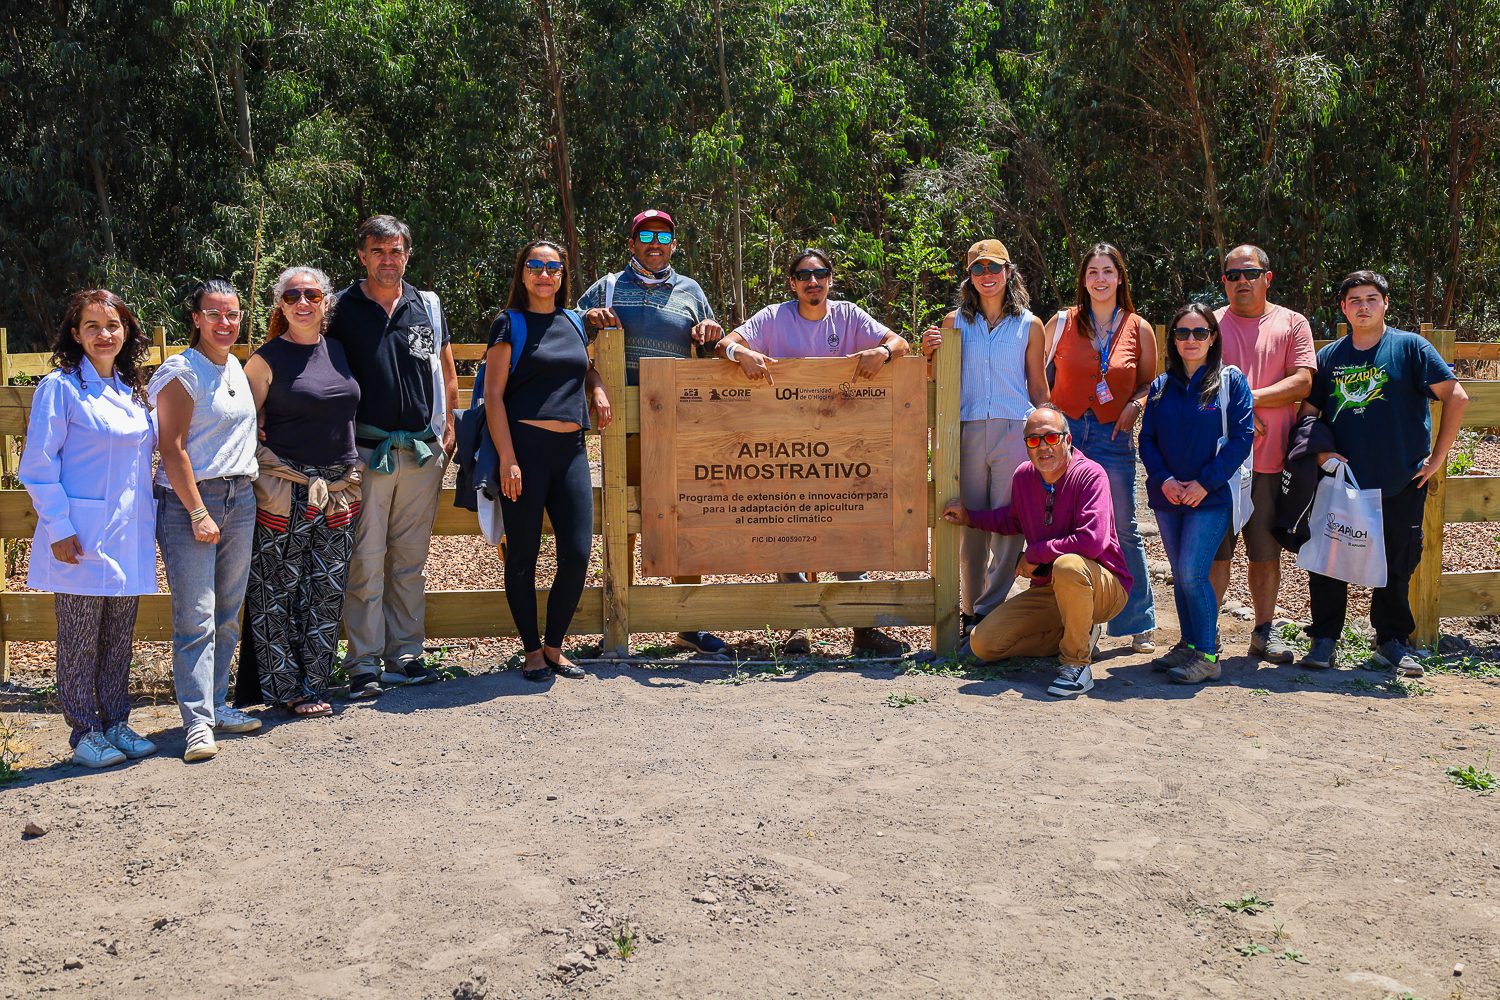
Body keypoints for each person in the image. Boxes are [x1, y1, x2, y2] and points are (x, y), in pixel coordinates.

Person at [717, 247, 912, 657]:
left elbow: (900, 343)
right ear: (792, 283)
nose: (813, 282)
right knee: (787, 527)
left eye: (821, 274)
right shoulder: (773, 316)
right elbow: (725, 344)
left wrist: (883, 352)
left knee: (849, 527)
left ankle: (862, 628)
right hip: (782, 447)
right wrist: (743, 353)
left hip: (842, 446)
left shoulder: (849, 315)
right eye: (804, 275)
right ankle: (796, 626)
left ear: (830, 279)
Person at [1297, 271, 1468, 675]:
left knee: (1398, 561)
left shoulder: (1411, 349)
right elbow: (1308, 414)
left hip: (1400, 480)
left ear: (1385, 303)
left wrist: (1438, 457)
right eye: (1354, 300)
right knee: (1328, 560)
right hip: (1342, 482)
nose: (1363, 306)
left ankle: (1390, 641)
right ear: (1343, 307)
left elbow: (1455, 396)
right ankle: (1324, 640)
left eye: (1372, 298)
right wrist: (1321, 454)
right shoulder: (1330, 356)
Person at [578, 209, 728, 656]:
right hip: (621, 424)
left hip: (676, 424)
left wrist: (712, 332)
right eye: (646, 235)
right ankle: (616, 617)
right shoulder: (605, 288)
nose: (655, 242)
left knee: (686, 516)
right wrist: (588, 322)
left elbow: (712, 345)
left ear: (674, 245)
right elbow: (565, 335)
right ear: (631, 243)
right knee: (620, 520)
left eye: (664, 235)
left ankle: (688, 622)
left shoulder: (691, 291)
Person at [19, 290, 158, 768]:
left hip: (128, 533)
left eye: (113, 325)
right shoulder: (60, 388)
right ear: (75, 334)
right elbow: (38, 464)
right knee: (79, 639)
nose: (104, 334)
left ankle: (116, 721)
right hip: (78, 533)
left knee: (119, 636)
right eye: (93, 326)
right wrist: (57, 525)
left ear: (127, 332)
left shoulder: (132, 390)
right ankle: (84, 733)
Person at [327, 215, 459, 698]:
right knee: (365, 557)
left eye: (397, 250)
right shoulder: (338, 308)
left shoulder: (427, 304)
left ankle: (405, 654)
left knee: (410, 558)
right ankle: (363, 661)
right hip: (365, 452)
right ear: (362, 255)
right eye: (378, 251)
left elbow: (444, 365)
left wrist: (450, 423)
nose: (389, 259)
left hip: (421, 452)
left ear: (408, 253)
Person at [485, 239, 612, 682]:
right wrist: (508, 459)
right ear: (522, 274)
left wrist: (595, 386)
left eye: (553, 268)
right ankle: (531, 651)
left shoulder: (574, 322)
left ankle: (555, 646)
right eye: (535, 266)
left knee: (577, 553)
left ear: (562, 275)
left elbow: (581, 366)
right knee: (522, 554)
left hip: (572, 452)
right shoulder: (509, 323)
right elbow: (493, 396)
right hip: (525, 452)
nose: (544, 274)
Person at [941, 404, 1130, 697]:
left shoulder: (1092, 475)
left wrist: (1035, 554)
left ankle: (1076, 665)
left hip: (1102, 587)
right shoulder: (1024, 477)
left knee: (1068, 565)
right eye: (1033, 440)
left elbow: (1092, 541)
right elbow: (1012, 520)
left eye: (1051, 437)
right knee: (983, 643)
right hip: (1050, 590)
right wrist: (970, 517)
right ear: (1026, 446)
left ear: (1068, 440)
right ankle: (1077, 634)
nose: (1043, 446)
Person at [241, 267, 362, 717]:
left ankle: (315, 684)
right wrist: (267, 475)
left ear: (326, 302)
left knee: (327, 589)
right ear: (281, 304)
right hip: (285, 487)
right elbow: (245, 427)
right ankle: (284, 687)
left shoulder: (340, 351)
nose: (303, 302)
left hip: (340, 490)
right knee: (277, 589)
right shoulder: (265, 360)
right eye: (293, 295)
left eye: (312, 294)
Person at [151, 278, 262, 762]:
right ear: (195, 318)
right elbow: (171, 448)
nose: (225, 322)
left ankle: (217, 705)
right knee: (195, 616)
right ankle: (197, 724)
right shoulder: (182, 370)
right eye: (214, 313)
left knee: (227, 612)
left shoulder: (235, 364)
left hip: (241, 498)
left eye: (232, 314)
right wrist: (197, 511)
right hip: (190, 501)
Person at [919, 239, 1049, 637]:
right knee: (969, 523)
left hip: (1016, 431)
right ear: (969, 278)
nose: (987, 276)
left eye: (994, 268)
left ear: (1009, 272)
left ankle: (991, 613)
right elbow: (937, 382)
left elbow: (1039, 388)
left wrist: (1053, 434)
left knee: (1010, 524)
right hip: (968, 430)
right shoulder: (952, 323)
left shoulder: (1030, 324)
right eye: (978, 270)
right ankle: (970, 612)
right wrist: (928, 356)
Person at [1043, 243, 1158, 653]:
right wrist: (1048, 419)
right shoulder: (1061, 322)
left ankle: (1139, 619)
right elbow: (1039, 375)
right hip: (1066, 437)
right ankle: (1069, 618)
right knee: (1065, 525)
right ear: (1083, 280)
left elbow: (1148, 382)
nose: (1100, 279)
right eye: (1092, 272)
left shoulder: (1139, 327)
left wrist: (1136, 404)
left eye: (1107, 271)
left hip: (1113, 439)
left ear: (1120, 277)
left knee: (1123, 527)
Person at [1211, 245, 1317, 663]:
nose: (1242, 281)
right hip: (1218, 464)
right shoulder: (1208, 324)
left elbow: (1303, 383)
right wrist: (1236, 416)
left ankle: (1263, 632)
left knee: (1265, 553)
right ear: (1224, 281)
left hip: (1271, 461)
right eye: (1233, 274)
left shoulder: (1292, 323)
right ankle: (1207, 635)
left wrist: (1246, 402)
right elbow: (1194, 378)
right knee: (1216, 554)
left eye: (1250, 273)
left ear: (1267, 278)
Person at [1139, 305, 1255, 683]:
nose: (1191, 340)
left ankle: (1207, 656)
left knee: (1192, 573)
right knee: (1180, 573)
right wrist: (1165, 480)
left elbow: (1241, 440)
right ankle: (1189, 646)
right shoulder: (1160, 386)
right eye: (1183, 333)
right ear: (1172, 338)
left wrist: (1205, 483)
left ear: (1213, 337)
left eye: (1200, 332)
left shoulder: (1230, 382)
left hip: (1211, 496)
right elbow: (1148, 440)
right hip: (1168, 496)